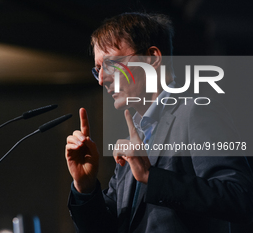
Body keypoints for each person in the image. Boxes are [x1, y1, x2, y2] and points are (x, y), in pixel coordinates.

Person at [65, 12, 253, 233]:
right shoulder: (134, 137)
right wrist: (85, 188)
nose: (102, 79)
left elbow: (239, 196)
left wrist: (151, 177)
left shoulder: (196, 112)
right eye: (98, 70)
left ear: (152, 58)